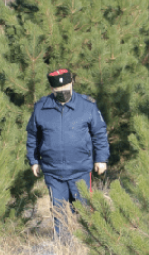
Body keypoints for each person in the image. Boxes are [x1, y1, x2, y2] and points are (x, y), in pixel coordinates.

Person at [26, 69, 110, 240]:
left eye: (66, 86)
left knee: (85, 210)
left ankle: (91, 245)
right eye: (58, 89)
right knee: (59, 212)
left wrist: (101, 159)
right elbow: (33, 135)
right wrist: (34, 160)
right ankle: (65, 250)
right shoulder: (42, 107)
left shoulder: (87, 106)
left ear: (72, 83)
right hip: (53, 171)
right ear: (51, 89)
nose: (63, 91)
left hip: (80, 169)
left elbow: (99, 133)